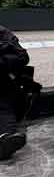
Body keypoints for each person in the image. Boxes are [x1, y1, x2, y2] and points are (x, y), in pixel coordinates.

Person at [0, 26, 30, 160]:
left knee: (5, 107)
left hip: (5, 86)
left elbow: (22, 56)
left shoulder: (3, 32)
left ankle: (6, 138)